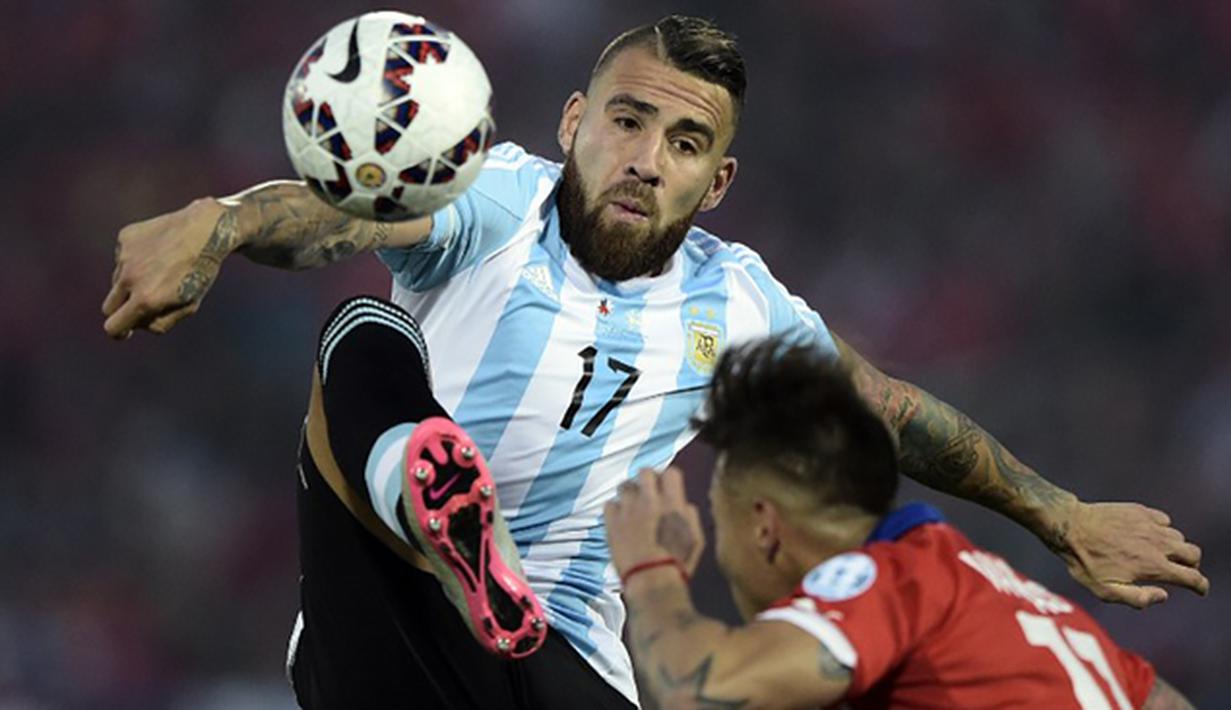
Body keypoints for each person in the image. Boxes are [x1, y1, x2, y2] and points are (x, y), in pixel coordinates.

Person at [102, 15, 1205, 707]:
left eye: (684, 145)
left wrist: (1063, 517)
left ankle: (437, 506)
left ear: (714, 182)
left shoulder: (738, 299)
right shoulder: (496, 198)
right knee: (365, 329)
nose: (645, 160)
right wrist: (224, 220)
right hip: (395, 611)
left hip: (538, 650)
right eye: (627, 122)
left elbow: (889, 412)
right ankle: (433, 499)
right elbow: (342, 218)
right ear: (574, 121)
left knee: (359, 341)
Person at [604, 336, 1194, 709]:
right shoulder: (1021, 604)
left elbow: (699, 693)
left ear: (764, 526)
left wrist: (651, 571)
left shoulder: (891, 584)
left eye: (718, 519)